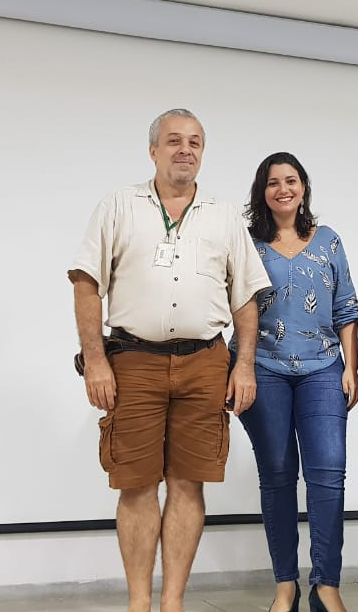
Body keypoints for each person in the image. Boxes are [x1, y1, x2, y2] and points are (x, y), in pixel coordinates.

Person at [67, 108, 271, 612]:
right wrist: (95, 361)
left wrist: (243, 365)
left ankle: (172, 603)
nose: (185, 149)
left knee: (188, 482)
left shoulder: (223, 216)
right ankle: (140, 602)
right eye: (174, 140)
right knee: (136, 484)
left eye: (195, 142)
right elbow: (86, 282)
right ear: (153, 150)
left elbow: (245, 296)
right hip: (133, 361)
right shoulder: (119, 205)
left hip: (206, 362)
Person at [236, 152, 358, 612]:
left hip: (324, 367)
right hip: (263, 367)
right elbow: (235, 305)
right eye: (273, 182)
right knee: (277, 475)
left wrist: (351, 366)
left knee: (328, 475)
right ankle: (285, 584)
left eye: (291, 180)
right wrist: (238, 367)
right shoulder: (246, 243)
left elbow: (347, 308)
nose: (282, 189)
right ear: (262, 191)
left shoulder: (328, 241)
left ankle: (326, 584)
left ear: (303, 187)